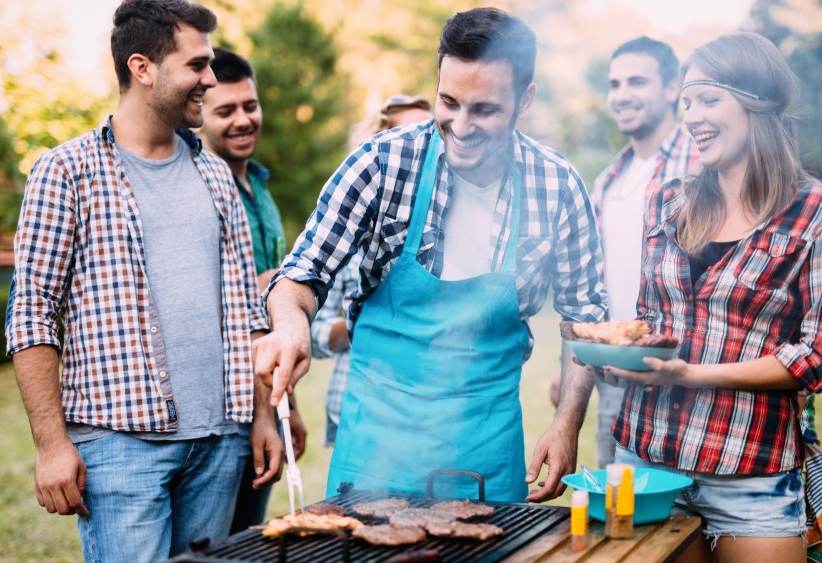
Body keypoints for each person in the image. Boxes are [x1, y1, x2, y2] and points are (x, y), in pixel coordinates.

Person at [255, 7, 608, 503]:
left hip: (484, 448)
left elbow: (584, 319)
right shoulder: (381, 162)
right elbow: (301, 275)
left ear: (524, 100)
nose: (460, 126)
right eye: (449, 102)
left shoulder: (558, 186)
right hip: (375, 442)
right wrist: (291, 325)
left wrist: (567, 425)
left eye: (484, 109)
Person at [5, 1, 281, 560]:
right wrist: (52, 444)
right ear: (143, 68)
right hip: (118, 446)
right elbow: (31, 311)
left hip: (221, 442)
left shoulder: (214, 174)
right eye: (197, 65)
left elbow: (246, 312)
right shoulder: (66, 171)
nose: (210, 78)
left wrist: (262, 417)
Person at [591, 32, 822, 561]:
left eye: (708, 99)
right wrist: (618, 355)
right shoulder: (668, 202)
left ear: (758, 104)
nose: (691, 116)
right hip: (644, 461)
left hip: (748, 468)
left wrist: (692, 374)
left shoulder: (816, 210)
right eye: (686, 101)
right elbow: (651, 320)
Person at [548, 37, 700, 469]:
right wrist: (576, 364)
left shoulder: (701, 162)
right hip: (612, 371)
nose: (621, 95)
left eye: (637, 81)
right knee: (621, 503)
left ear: (672, 88)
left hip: (679, 368)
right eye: (614, 84)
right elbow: (592, 284)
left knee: (683, 509)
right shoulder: (609, 180)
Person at [198, 46, 306, 533]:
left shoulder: (261, 189)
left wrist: (289, 410)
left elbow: (277, 315)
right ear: (198, 111)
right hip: (218, 410)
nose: (243, 120)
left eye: (250, 106)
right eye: (225, 111)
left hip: (266, 401)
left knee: (248, 540)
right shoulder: (197, 186)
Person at [312, 93, 433, 448]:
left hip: (425, 414)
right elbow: (313, 333)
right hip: (353, 409)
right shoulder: (347, 239)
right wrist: (364, 323)